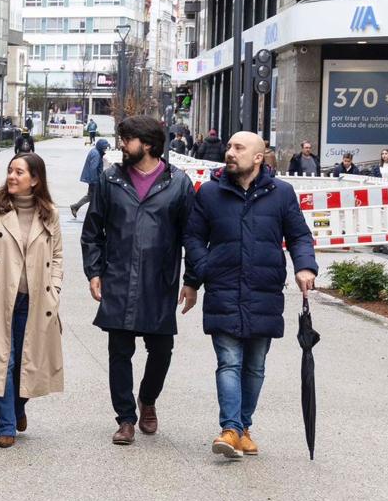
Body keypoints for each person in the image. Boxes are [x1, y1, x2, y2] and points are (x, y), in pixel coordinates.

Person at [183, 131, 318, 459]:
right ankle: (229, 429)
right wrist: (201, 271)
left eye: (238, 148)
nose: (230, 152)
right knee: (229, 361)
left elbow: (299, 236)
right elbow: (194, 236)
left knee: (255, 365)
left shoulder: (281, 193)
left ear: (258, 157)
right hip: (223, 287)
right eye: (229, 147)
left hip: (264, 290)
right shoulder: (210, 193)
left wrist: (305, 267)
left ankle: (243, 427)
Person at [81, 115, 196, 445]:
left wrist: (191, 280)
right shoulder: (110, 179)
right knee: (119, 350)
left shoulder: (178, 183)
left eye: (127, 139)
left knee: (161, 350)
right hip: (117, 276)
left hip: (159, 281)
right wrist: (94, 271)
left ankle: (148, 399)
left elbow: (192, 235)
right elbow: (93, 232)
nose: (121, 144)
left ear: (147, 144)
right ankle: (125, 418)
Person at [0, 153, 65, 448]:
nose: (11, 176)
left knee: (28, 361)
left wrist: (55, 288)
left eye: (19, 172)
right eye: (10, 171)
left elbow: (57, 256)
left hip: (36, 301)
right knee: (1, 362)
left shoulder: (50, 214)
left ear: (35, 179)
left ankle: (18, 407)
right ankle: (5, 425)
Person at [71, 137, 109, 218]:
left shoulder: (96, 152)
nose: (105, 150)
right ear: (100, 147)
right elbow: (93, 168)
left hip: (93, 179)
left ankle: (76, 207)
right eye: (104, 148)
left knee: (91, 196)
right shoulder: (96, 154)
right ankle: (95, 214)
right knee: (95, 197)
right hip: (94, 180)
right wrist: (95, 182)